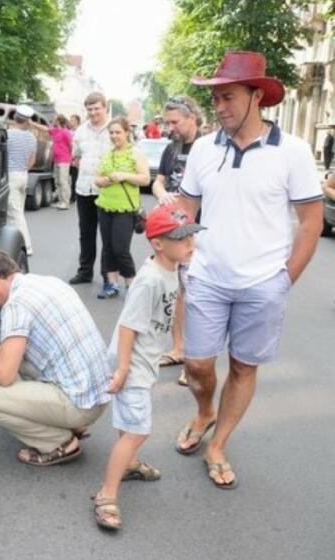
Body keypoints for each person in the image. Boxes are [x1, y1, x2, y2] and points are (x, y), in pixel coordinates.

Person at [175, 51, 324, 489]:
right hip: (206, 278)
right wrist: (175, 257)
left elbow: (311, 223)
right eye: (216, 98)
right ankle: (204, 410)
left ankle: (218, 443)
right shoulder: (204, 148)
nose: (219, 107)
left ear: (257, 96)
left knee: (243, 368)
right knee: (198, 364)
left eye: (229, 97)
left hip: (263, 285)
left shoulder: (293, 152)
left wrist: (283, 281)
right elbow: (186, 211)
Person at [91, 204, 204, 531]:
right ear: (158, 243)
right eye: (181, 239)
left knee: (130, 422)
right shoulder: (150, 279)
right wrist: (125, 368)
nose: (190, 244)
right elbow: (128, 326)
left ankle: (128, 464)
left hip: (142, 359)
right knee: (139, 429)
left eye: (191, 236)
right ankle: (107, 494)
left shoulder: (170, 268)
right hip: (133, 362)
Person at [0, 247, 111, 466]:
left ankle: (60, 442)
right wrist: (2, 351)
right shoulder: (49, 282)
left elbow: (4, 376)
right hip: (97, 392)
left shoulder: (15, 305)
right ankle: (72, 423)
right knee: (11, 361)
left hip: (80, 404)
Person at [151, 95, 203, 383]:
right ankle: (180, 349)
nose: (170, 128)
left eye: (175, 122)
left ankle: (195, 361)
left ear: (192, 117)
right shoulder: (171, 148)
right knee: (177, 293)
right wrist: (161, 193)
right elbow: (159, 180)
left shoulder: (208, 147)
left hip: (197, 232)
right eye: (168, 122)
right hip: (172, 230)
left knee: (197, 294)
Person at [93, 117, 150, 299]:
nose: (114, 136)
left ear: (127, 132)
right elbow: (98, 179)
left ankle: (131, 285)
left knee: (120, 249)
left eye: (118, 132)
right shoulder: (108, 154)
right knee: (108, 248)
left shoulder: (135, 153)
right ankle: (111, 284)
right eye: (111, 132)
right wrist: (107, 179)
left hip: (125, 210)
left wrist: (124, 175)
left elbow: (145, 179)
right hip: (105, 206)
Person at [70, 93, 112, 285]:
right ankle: (85, 272)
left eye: (97, 108)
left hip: (107, 191)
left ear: (105, 107)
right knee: (86, 233)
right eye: (90, 109)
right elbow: (76, 158)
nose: (93, 112)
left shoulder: (115, 129)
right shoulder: (80, 131)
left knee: (107, 235)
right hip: (84, 190)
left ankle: (106, 275)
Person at [6, 104, 38, 256]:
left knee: (15, 212)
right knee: (19, 210)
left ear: (14, 118)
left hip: (10, 175)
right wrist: (23, 168)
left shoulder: (8, 135)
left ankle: (27, 245)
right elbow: (32, 161)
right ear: (27, 121)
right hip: (23, 174)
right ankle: (12, 243)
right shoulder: (32, 137)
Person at [48, 115, 73, 210]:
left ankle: (65, 202)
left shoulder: (65, 132)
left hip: (64, 160)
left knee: (63, 181)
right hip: (56, 160)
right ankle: (60, 201)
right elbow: (44, 128)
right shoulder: (54, 131)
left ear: (58, 121)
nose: (53, 121)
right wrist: (32, 123)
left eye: (55, 120)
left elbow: (71, 145)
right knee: (57, 181)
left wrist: (71, 157)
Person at [69, 114, 82, 203]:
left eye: (72, 120)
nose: (71, 122)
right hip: (67, 157)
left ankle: (74, 196)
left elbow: (79, 147)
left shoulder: (80, 131)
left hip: (75, 158)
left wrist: (75, 159)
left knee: (75, 179)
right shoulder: (69, 131)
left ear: (77, 121)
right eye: (70, 120)